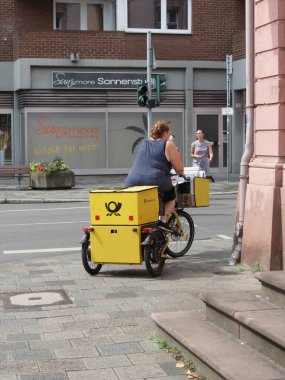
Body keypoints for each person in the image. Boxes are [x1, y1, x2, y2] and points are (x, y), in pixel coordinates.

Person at [125, 120, 184, 232]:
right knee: (171, 195)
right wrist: (177, 151)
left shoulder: (144, 142)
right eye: (169, 133)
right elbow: (180, 169)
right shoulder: (168, 144)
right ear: (166, 133)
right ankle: (163, 220)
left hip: (132, 180)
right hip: (154, 180)